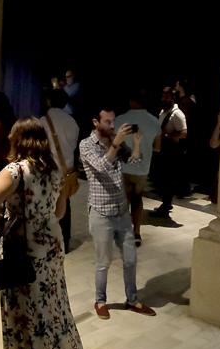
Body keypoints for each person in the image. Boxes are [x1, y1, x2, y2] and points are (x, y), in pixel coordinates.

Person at [0, 119, 83, 349]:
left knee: (25, 310)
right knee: (55, 303)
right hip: (50, 242)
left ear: (18, 140)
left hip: (22, 246)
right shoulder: (54, 169)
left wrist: (1, 222)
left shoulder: (15, 171)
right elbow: (60, 212)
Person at [78, 107, 157, 320]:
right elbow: (102, 166)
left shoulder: (116, 142)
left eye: (113, 122)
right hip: (101, 213)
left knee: (130, 259)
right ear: (96, 122)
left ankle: (132, 300)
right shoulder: (86, 145)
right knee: (103, 262)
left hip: (122, 212)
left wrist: (138, 144)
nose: (112, 126)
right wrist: (115, 143)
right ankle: (100, 300)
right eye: (107, 122)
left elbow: (134, 162)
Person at [116, 93, 161, 246]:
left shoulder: (120, 119)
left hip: (123, 165)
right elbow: (158, 147)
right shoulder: (154, 121)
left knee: (124, 200)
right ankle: (136, 232)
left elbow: (114, 143)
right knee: (137, 199)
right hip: (142, 167)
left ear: (131, 101)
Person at [43, 88, 80, 247]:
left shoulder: (42, 121)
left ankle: (50, 240)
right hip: (67, 170)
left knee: (48, 204)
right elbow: (73, 145)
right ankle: (64, 239)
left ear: (49, 101)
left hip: (49, 169)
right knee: (65, 203)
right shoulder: (72, 122)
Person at [152, 87, 189, 218]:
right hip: (162, 149)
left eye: (166, 97)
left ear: (173, 98)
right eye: (163, 96)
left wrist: (167, 136)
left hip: (171, 151)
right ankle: (166, 202)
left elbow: (184, 133)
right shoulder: (163, 111)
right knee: (161, 177)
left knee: (168, 178)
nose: (164, 99)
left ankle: (166, 204)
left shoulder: (177, 114)